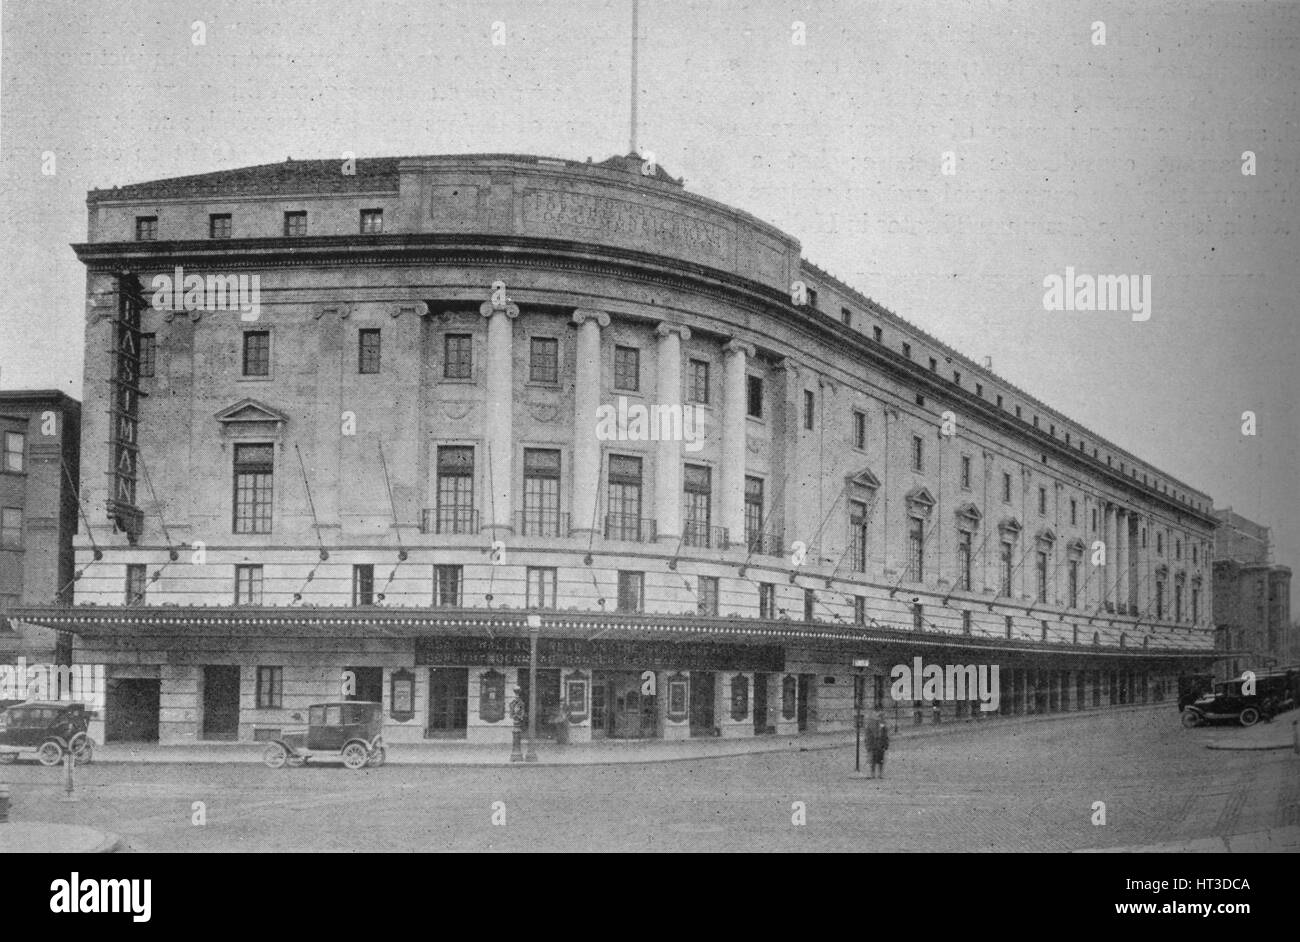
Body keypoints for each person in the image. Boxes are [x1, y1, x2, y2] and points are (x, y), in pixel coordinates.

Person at [865, 710, 889, 778]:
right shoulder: (871, 724)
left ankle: (880, 774)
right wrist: (868, 745)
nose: (882, 718)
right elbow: (868, 735)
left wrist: (886, 744)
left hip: (881, 744)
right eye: (880, 717)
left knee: (880, 760)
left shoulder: (883, 725)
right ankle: (872, 774)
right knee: (872, 760)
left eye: (882, 717)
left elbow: (885, 735)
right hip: (873, 744)